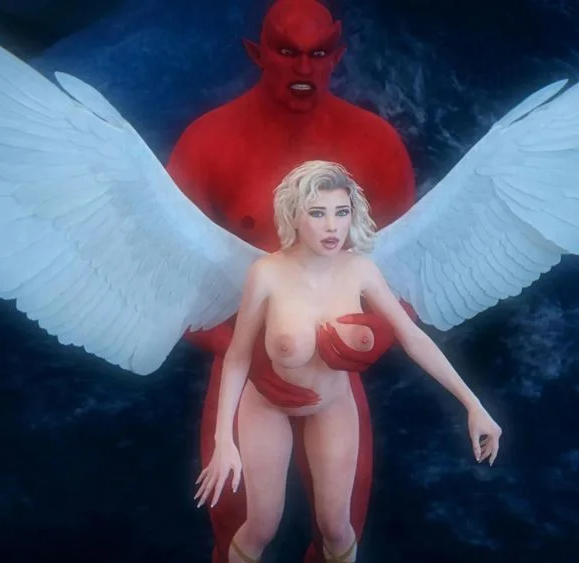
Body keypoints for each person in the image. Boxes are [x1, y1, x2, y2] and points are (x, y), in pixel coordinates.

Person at [164, 1, 416, 561]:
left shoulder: (376, 146)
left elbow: (406, 279)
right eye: (287, 52)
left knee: (342, 526)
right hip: (244, 362)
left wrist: (374, 337)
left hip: (333, 371)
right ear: (258, 54)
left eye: (318, 53)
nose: (304, 68)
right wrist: (245, 354)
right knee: (237, 520)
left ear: (337, 55)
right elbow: (166, 283)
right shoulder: (208, 143)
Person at [194, 161, 502, 563]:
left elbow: (413, 338)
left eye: (341, 213)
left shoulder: (361, 270)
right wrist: (224, 442)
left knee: (337, 527)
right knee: (262, 524)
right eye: (317, 213)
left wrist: (473, 405)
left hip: (333, 405)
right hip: (266, 407)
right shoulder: (265, 275)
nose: (332, 227)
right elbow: (238, 356)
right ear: (294, 216)